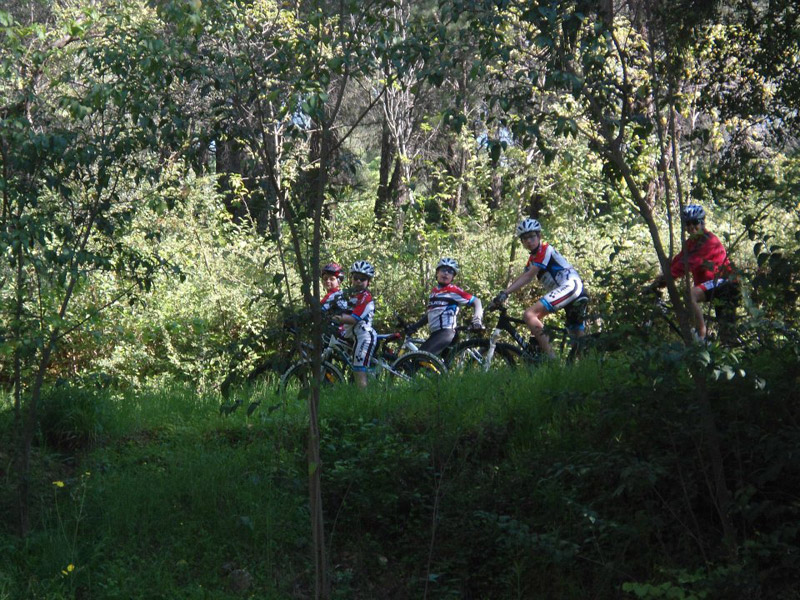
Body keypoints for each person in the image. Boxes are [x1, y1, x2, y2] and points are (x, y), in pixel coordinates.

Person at [491, 218, 588, 358]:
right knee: (576, 340)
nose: (529, 241)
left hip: (571, 286)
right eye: (525, 238)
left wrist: (505, 293)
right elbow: (523, 276)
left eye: (532, 236)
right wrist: (503, 294)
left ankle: (552, 361)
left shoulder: (545, 249)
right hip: (573, 291)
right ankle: (584, 364)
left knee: (529, 315)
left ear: (539, 236)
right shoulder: (533, 259)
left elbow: (529, 276)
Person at [650, 204, 739, 341]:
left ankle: (702, 336)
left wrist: (665, 280)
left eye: (695, 222)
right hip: (715, 285)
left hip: (726, 283)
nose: (691, 226)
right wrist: (660, 279)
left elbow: (688, 263)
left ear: (702, 222)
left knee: (691, 295)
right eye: (688, 223)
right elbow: (679, 260)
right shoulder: (691, 242)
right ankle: (711, 341)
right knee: (726, 333)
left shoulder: (708, 241)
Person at [405, 258, 484, 356]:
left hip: (446, 333)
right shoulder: (434, 292)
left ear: (453, 277)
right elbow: (432, 313)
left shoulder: (453, 290)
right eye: (443, 270)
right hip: (436, 334)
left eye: (450, 271)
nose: (446, 273)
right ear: (437, 273)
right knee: (431, 363)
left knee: (419, 357)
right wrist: (415, 326)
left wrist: (477, 320)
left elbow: (476, 301)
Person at [330, 260, 377, 388]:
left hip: (364, 335)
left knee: (359, 370)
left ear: (368, 281)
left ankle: (363, 397)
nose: (358, 281)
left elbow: (352, 319)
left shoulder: (365, 297)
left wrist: (332, 317)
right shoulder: (350, 295)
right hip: (353, 335)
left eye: (363, 279)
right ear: (351, 278)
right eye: (356, 278)